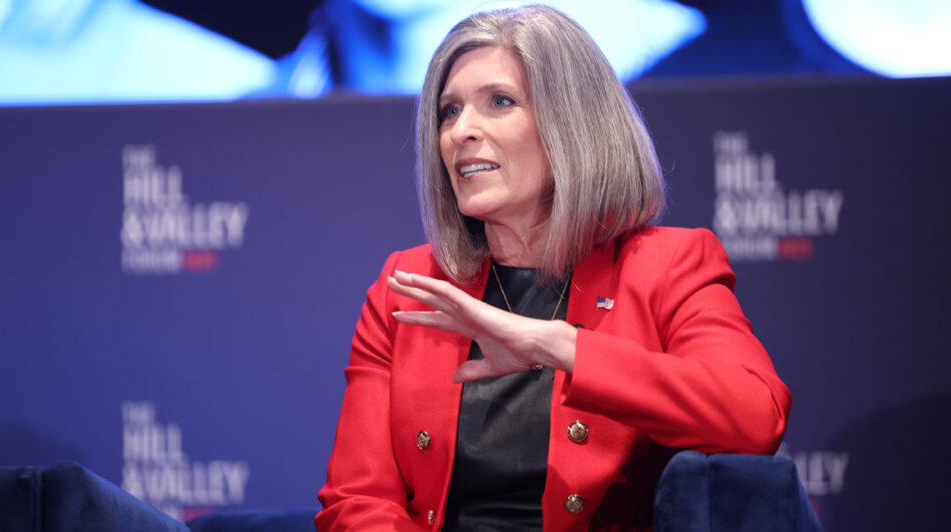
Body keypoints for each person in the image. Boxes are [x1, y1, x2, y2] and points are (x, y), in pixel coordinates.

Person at [316, 4, 791, 531]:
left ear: (572, 125)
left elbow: (754, 419)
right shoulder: (407, 286)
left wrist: (554, 345)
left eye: (499, 102)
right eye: (449, 111)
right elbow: (357, 500)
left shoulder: (664, 265)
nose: (461, 131)